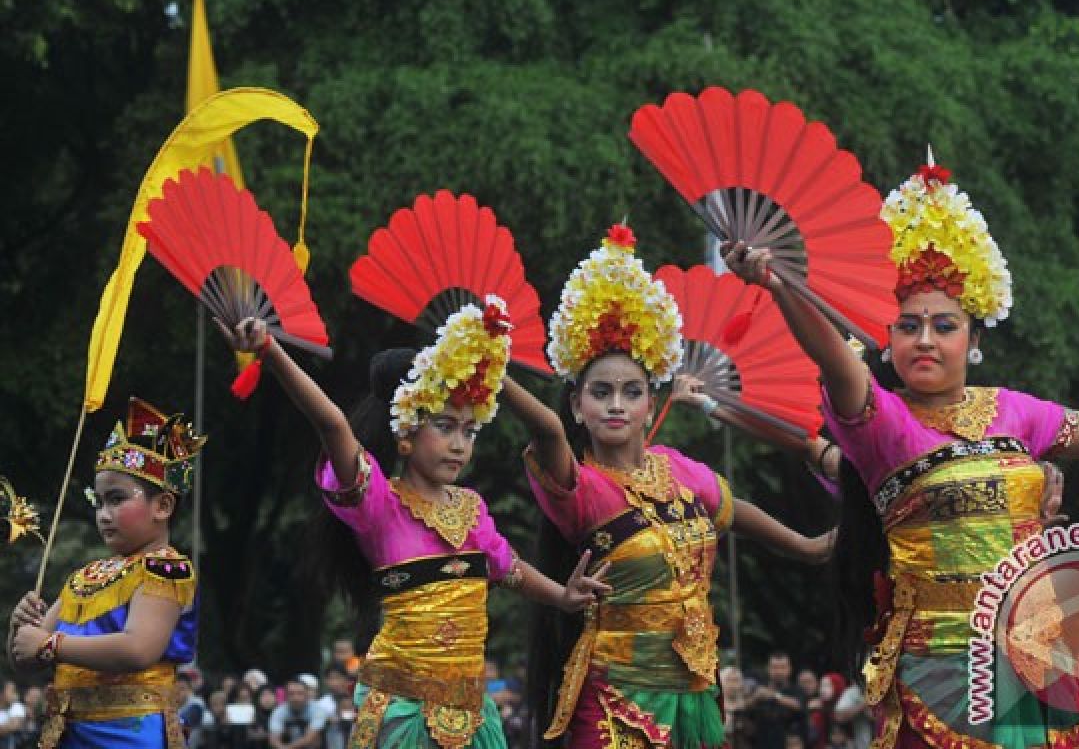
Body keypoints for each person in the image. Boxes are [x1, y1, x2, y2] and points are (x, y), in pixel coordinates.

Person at [724, 155, 1079, 748]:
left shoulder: (1013, 410)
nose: (924, 339)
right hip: (936, 674)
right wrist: (779, 288)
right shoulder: (884, 423)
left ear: (974, 338)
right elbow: (833, 361)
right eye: (907, 326)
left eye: (944, 326)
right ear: (887, 336)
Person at [220, 297, 609, 749]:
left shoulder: (472, 507)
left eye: (469, 431)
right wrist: (270, 349)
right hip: (404, 712)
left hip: (474, 714)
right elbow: (331, 426)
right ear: (404, 436)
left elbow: (510, 569)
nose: (459, 444)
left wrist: (563, 596)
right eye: (444, 426)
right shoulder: (380, 506)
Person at [504, 224, 837, 748]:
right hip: (617, 701)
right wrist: (493, 366)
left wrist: (807, 545)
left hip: (693, 694)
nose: (616, 404)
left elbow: (732, 509)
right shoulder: (581, 485)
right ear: (577, 405)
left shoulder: (677, 468)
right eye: (601, 392)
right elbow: (545, 430)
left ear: (650, 406)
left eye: (631, 392)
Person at [7, 398, 204, 749]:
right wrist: (19, 631)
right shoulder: (86, 576)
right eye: (98, 501)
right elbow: (27, 659)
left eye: (116, 499)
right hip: (71, 734)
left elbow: (137, 649)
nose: (103, 514)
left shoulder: (166, 568)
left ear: (162, 506)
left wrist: (50, 644)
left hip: (129, 735)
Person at [747, 653, 804, 749]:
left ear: (789, 669)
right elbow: (743, 706)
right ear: (768, 669)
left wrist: (774, 696)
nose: (779, 671)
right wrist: (755, 698)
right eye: (775, 667)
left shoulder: (796, 689)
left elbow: (799, 705)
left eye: (782, 667)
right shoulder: (759, 688)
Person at [268, 679, 326, 749]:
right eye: (291, 694)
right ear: (286, 696)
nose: (295, 698)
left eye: (300, 693)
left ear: (307, 695)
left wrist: (286, 748)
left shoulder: (317, 710)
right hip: (286, 745)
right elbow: (274, 738)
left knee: (315, 739)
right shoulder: (279, 711)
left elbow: (309, 739)